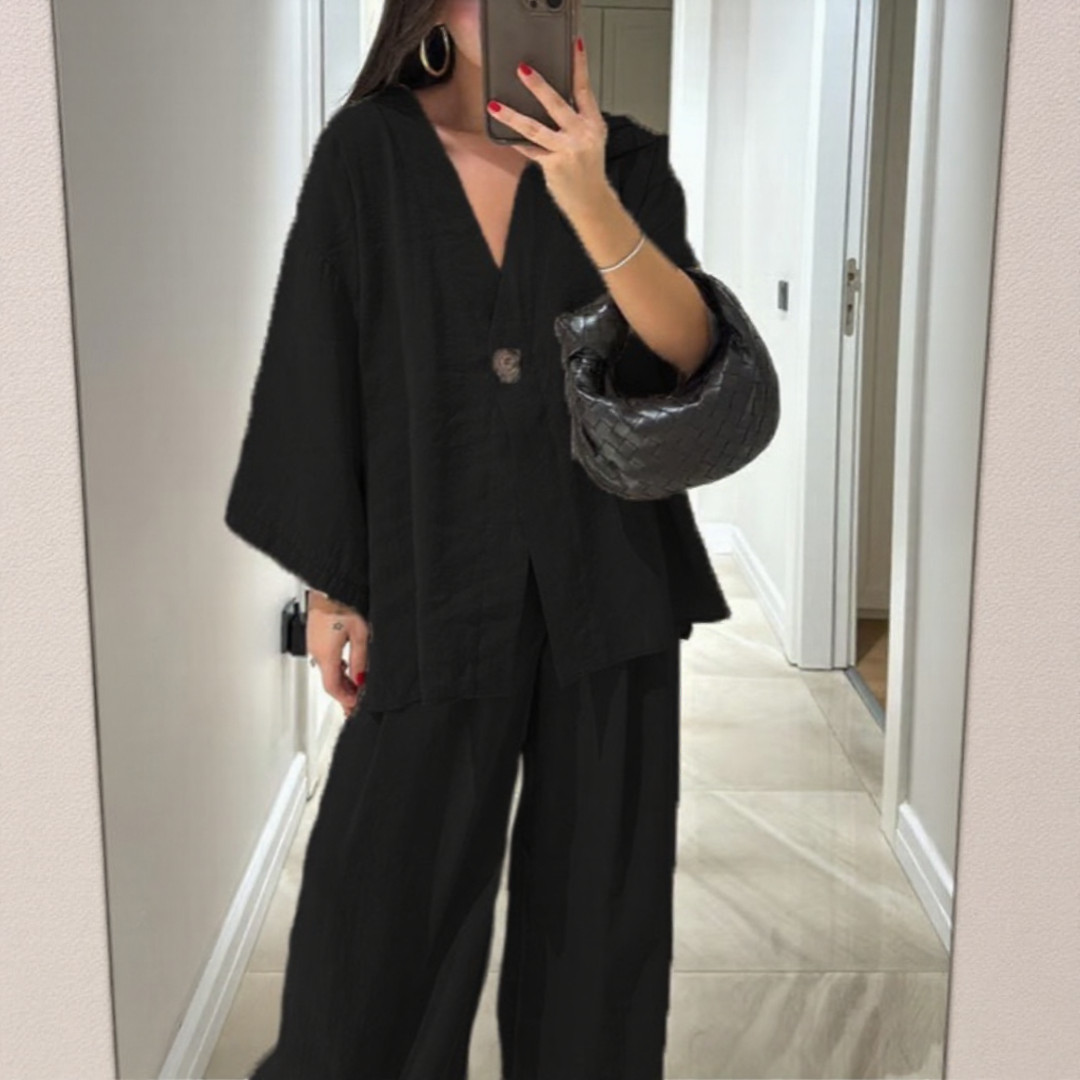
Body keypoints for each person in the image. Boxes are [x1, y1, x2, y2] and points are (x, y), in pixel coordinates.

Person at [224, 1, 733, 1076]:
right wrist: (333, 591)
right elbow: (321, 362)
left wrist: (587, 196)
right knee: (376, 923)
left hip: (609, 588)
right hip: (432, 578)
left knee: (599, 931)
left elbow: (691, 353)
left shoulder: (626, 163)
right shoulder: (367, 153)